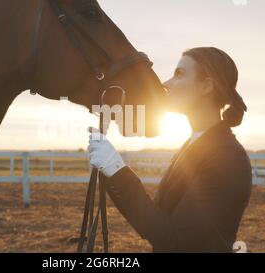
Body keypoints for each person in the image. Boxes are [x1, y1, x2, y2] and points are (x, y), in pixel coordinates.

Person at [88, 47, 252, 253]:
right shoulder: (196, 144)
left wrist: (117, 170)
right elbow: (155, 221)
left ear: (206, 86)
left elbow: (175, 240)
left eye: (179, 74)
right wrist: (112, 173)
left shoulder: (226, 158)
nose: (166, 84)